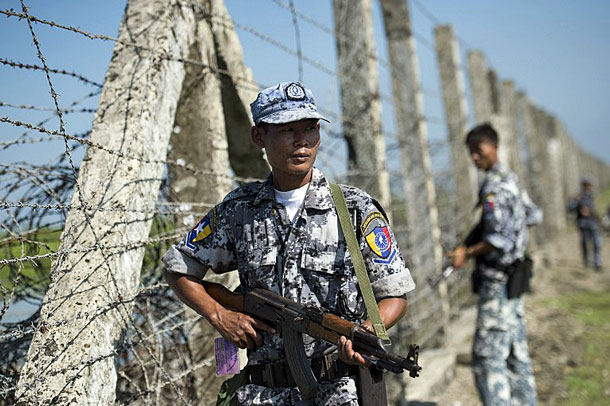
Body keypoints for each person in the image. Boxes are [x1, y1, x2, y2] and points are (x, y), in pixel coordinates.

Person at [161, 82, 415, 405]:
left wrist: (365, 330)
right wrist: (219, 315)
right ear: (259, 137)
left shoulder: (354, 209)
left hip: (338, 390)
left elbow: (395, 294)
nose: (302, 141)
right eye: (287, 129)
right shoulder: (239, 210)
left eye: (310, 128)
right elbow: (178, 268)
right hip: (262, 393)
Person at [449, 123, 542, 406]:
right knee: (515, 354)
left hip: (498, 280)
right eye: (471, 153)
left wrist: (467, 252)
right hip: (514, 277)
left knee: (487, 358)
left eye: (480, 151)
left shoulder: (493, 186)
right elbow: (533, 214)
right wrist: (517, 236)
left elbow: (498, 238)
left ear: (495, 147)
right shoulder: (510, 179)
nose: (476, 158)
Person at [568, 177, 602, 271]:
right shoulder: (578, 197)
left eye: (589, 185)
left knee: (597, 243)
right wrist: (576, 203)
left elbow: (596, 210)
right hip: (583, 224)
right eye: (586, 185)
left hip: (593, 223)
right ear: (583, 186)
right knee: (585, 244)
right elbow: (570, 208)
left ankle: (597, 263)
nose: (588, 187)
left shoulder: (593, 196)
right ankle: (586, 261)